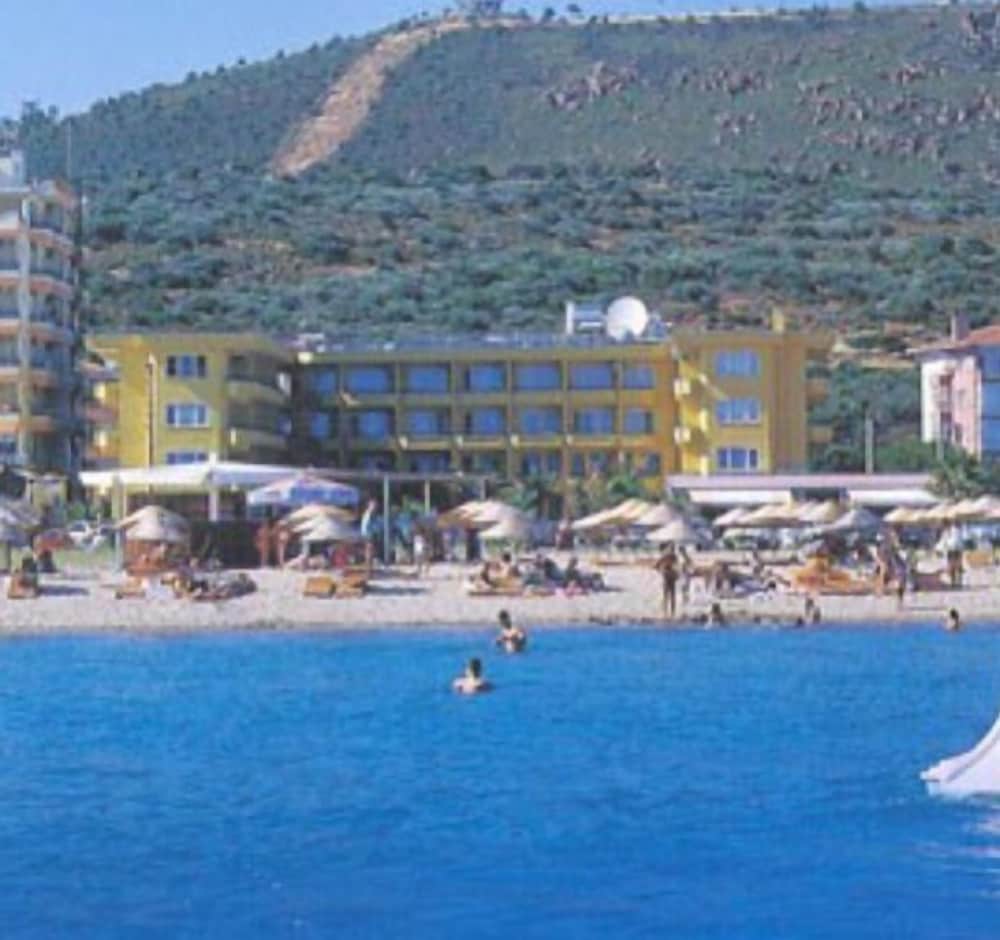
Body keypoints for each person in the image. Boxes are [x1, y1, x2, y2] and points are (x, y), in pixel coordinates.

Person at [654, 545, 679, 618]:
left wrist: (676, 573)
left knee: (670, 596)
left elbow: (677, 566)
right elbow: (656, 566)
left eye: (672, 549)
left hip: (671, 577)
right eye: (671, 549)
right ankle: (666, 612)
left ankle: (671, 612)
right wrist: (662, 571)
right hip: (668, 577)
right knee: (668, 595)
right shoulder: (666, 557)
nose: (671, 551)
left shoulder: (673, 557)